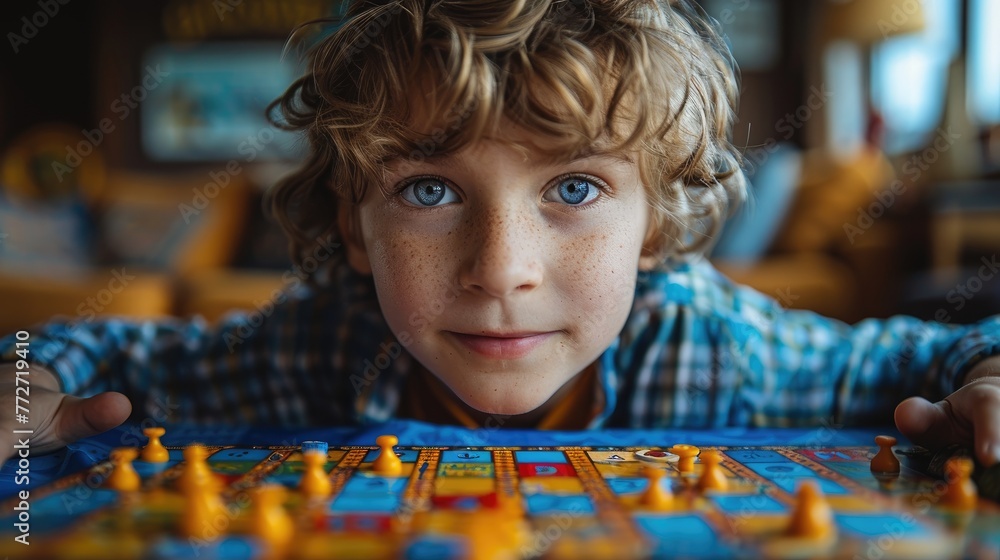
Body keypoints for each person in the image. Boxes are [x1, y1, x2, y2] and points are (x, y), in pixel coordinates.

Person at [1, 0, 998, 467]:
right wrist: (26, 387)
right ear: (353, 224)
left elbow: (929, 350)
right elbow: (85, 354)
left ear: (653, 221)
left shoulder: (718, 349)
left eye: (571, 185)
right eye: (429, 190)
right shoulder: (318, 343)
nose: (500, 271)